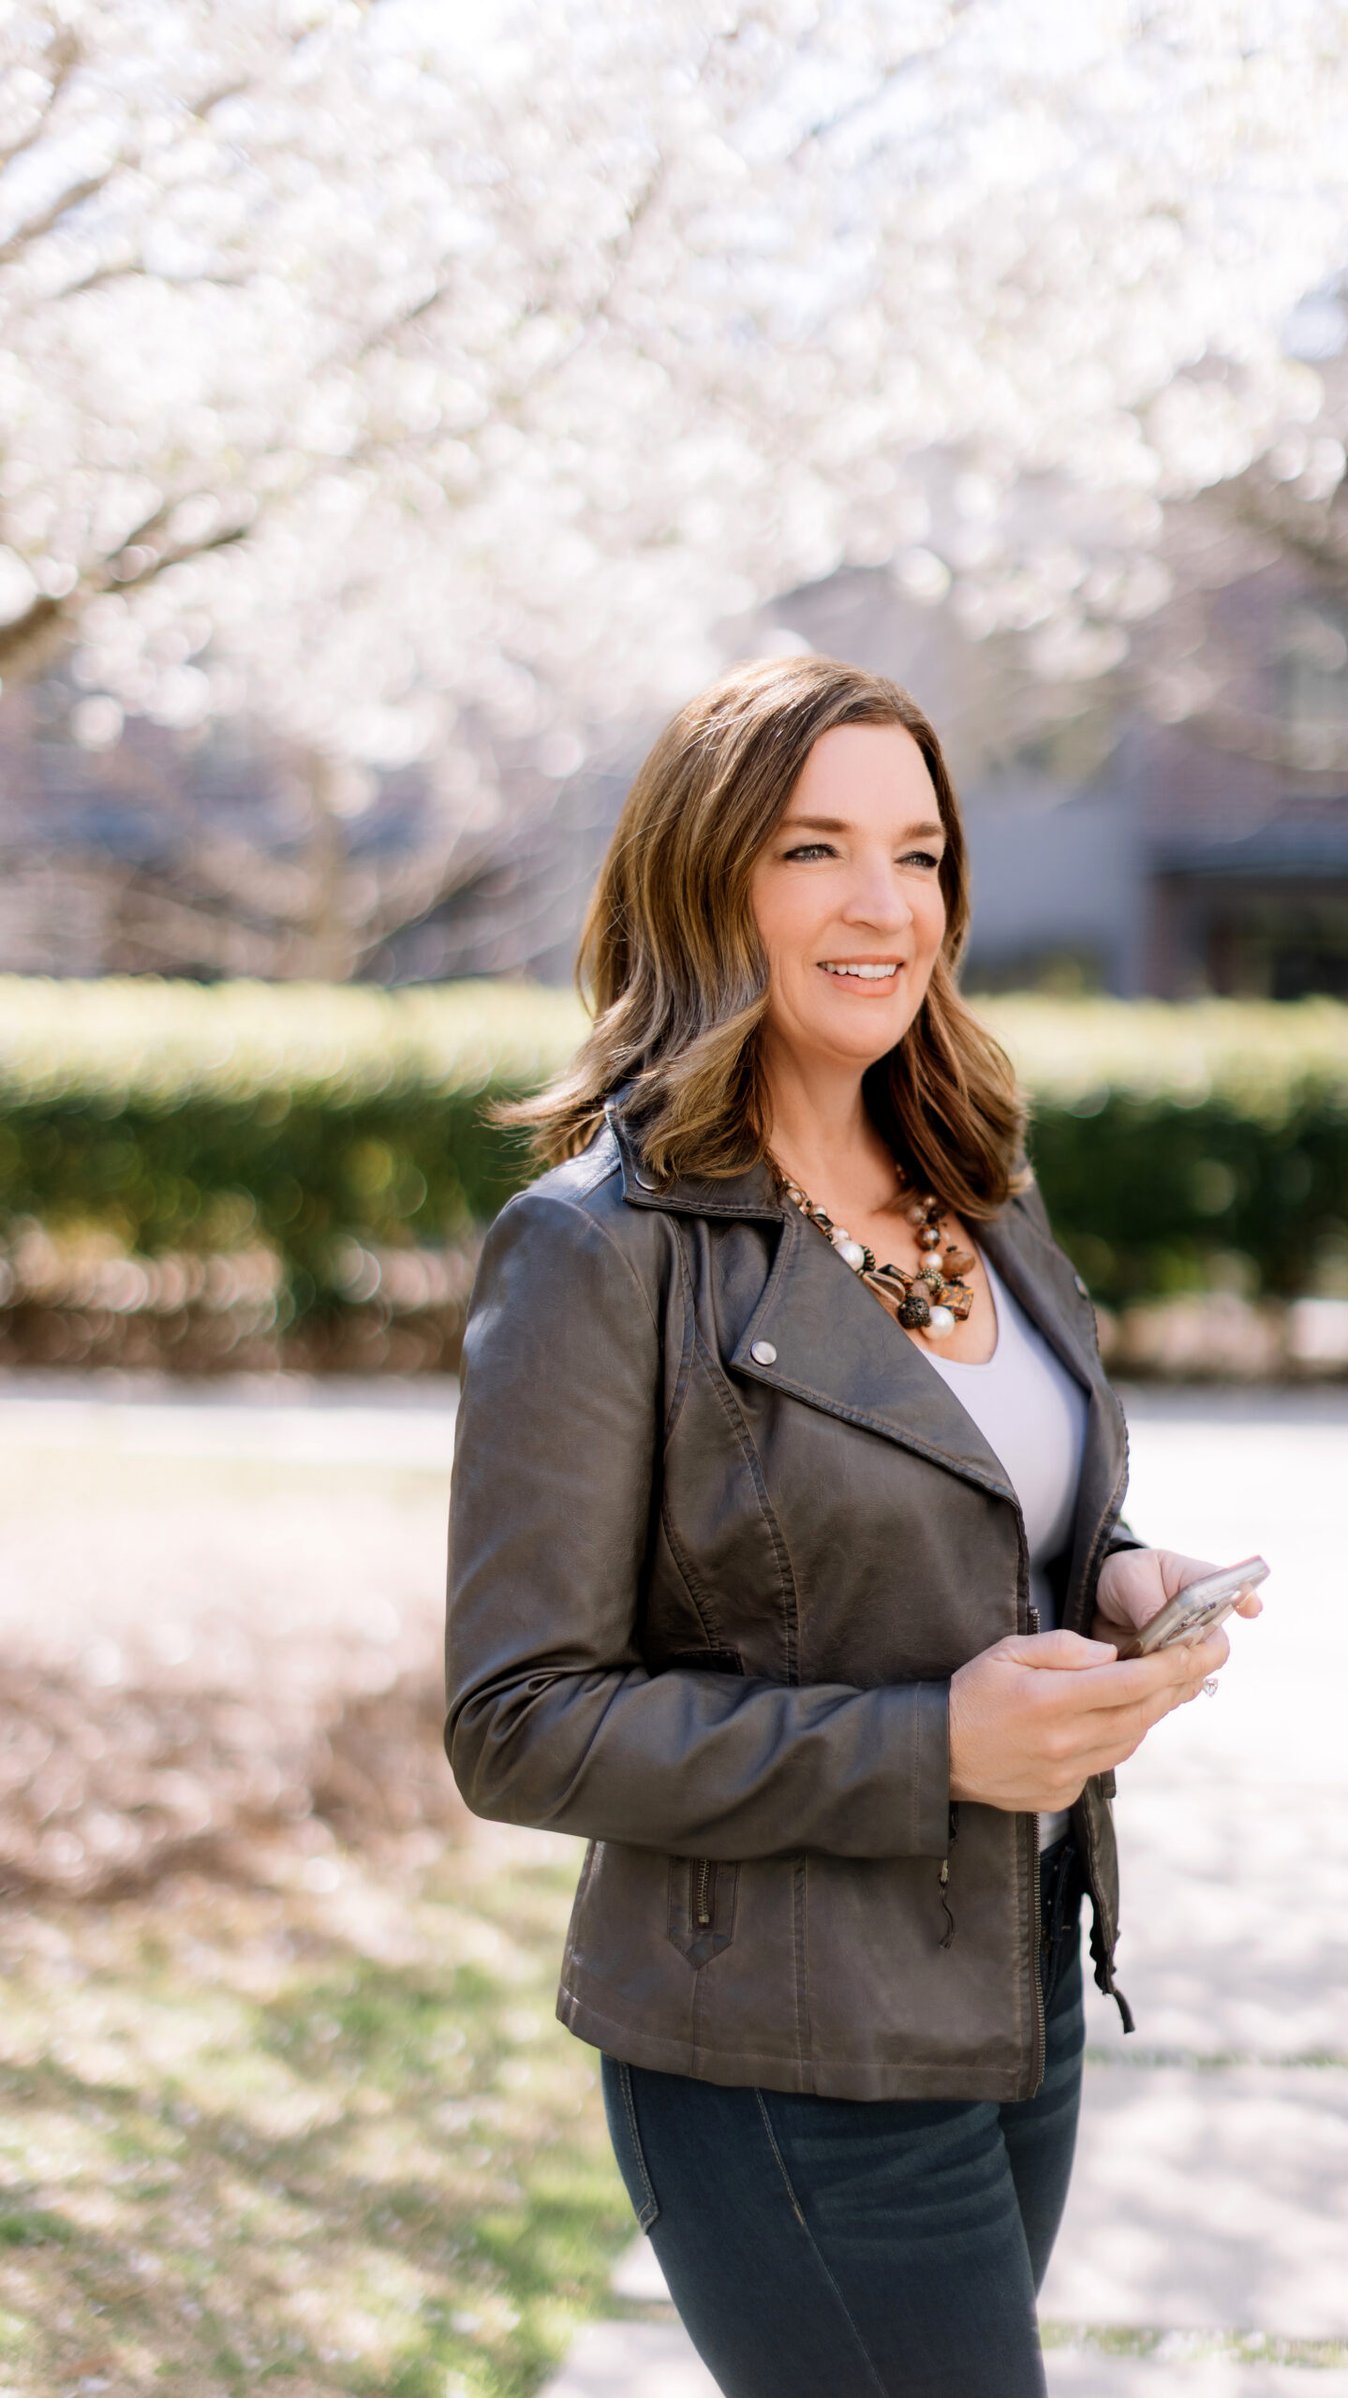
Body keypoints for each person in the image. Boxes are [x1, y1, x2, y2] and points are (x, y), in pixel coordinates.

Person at [443, 654, 1259, 2398]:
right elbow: (516, 1722)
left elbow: (998, 1502)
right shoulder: (602, 1250)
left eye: (922, 852)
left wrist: (1113, 1577)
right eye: (814, 849)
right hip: (781, 2045)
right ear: (703, 879)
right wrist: (939, 1745)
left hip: (1018, 1982)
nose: (884, 906)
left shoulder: (975, 1174)